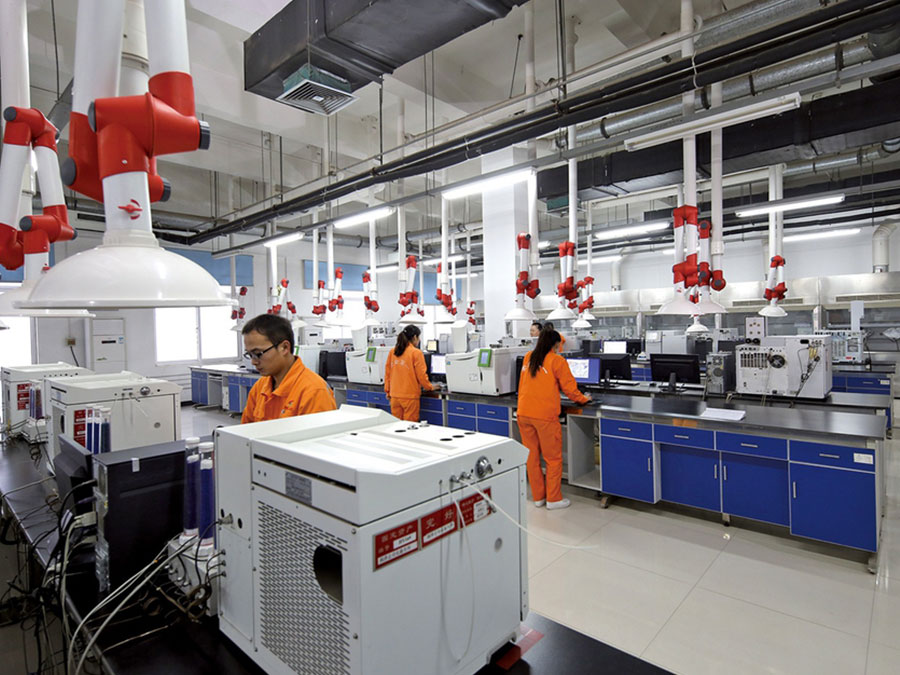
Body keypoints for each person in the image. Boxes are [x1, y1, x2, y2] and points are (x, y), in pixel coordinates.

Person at [517, 327, 591, 509]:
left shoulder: (529, 357)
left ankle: (538, 497)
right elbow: (570, 389)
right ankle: (553, 499)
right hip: (544, 416)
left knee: (532, 457)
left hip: (523, 413)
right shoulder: (557, 360)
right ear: (555, 344)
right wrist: (584, 399)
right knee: (553, 459)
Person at [241, 314, 336, 423]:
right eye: (250, 355)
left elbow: (318, 433)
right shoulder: (260, 387)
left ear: (285, 347)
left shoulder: (314, 391)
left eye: (258, 354)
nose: (253, 362)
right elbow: (246, 429)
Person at [384, 325, 435, 421]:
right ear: (415, 337)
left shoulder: (392, 352)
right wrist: (430, 387)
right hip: (409, 397)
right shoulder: (416, 353)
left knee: (397, 425)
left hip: (394, 396)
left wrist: (388, 391)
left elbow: (388, 374)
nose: (419, 340)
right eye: (419, 337)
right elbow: (421, 375)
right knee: (409, 426)